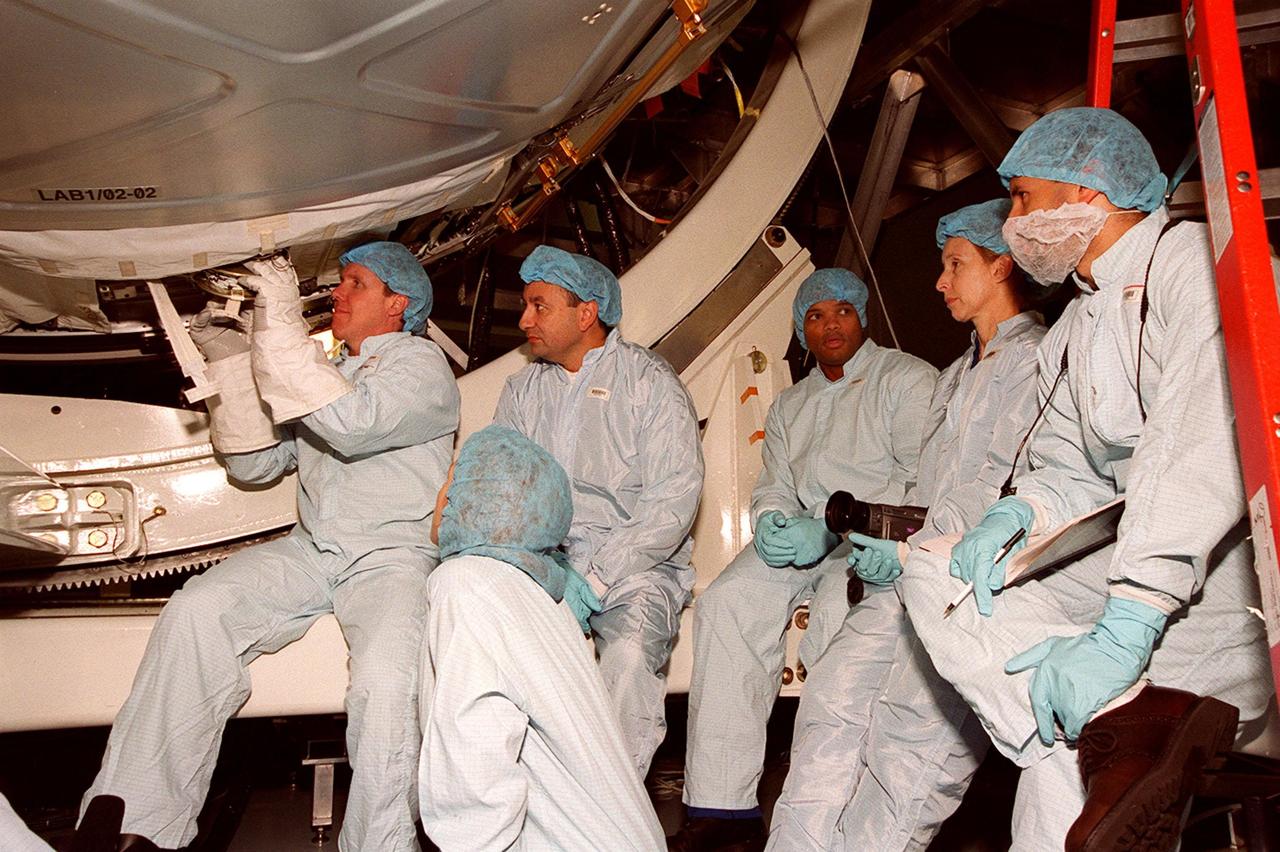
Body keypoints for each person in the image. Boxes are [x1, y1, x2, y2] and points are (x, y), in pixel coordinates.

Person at [897, 107, 1274, 849]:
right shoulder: (1076, 325)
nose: (1013, 224)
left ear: (1088, 194)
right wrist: (1020, 516)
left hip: (1229, 587)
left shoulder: (1197, 268)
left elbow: (1198, 453)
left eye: (1023, 199)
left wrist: (1127, 623)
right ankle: (1118, 721)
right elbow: (1068, 466)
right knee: (935, 568)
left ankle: (1115, 717)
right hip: (1126, 576)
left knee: (1061, 750)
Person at [78, 242, 460, 852]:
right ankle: (135, 823)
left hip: (392, 556)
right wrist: (232, 362)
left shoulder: (419, 366)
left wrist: (279, 317)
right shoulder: (333, 373)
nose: (338, 293)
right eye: (340, 281)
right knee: (198, 611)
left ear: (398, 304)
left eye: (355, 283)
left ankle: (381, 843)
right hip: (315, 549)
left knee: (387, 683)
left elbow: (352, 425)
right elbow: (255, 465)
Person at [767, 201, 1046, 851]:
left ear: (1001, 266)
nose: (940, 283)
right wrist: (893, 541)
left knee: (906, 754)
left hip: (976, 588)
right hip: (912, 578)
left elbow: (1013, 489)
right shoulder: (956, 377)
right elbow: (929, 489)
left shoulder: (1038, 362)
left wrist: (925, 550)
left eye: (955, 265)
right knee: (829, 708)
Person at [672, 269, 938, 850]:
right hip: (804, 538)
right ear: (801, 330)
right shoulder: (792, 403)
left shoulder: (907, 380)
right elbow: (775, 482)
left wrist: (835, 527)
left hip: (870, 537)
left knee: (836, 628)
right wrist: (771, 520)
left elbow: (921, 479)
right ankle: (723, 809)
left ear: (862, 317)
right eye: (815, 316)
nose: (830, 325)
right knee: (727, 603)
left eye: (842, 311)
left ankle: (838, 807)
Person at [493, 244, 704, 780]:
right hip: (547, 565)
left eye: (539, 306)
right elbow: (505, 489)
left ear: (586, 313)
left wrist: (599, 574)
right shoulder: (522, 391)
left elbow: (674, 498)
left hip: (637, 568)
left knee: (630, 657)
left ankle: (611, 804)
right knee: (496, 662)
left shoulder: (649, 383)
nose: (524, 320)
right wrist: (538, 567)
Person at [417, 425, 665, 851]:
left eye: (455, 480)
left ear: (477, 501)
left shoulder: (465, 586)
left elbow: (475, 772)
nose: (443, 494)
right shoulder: (541, 593)